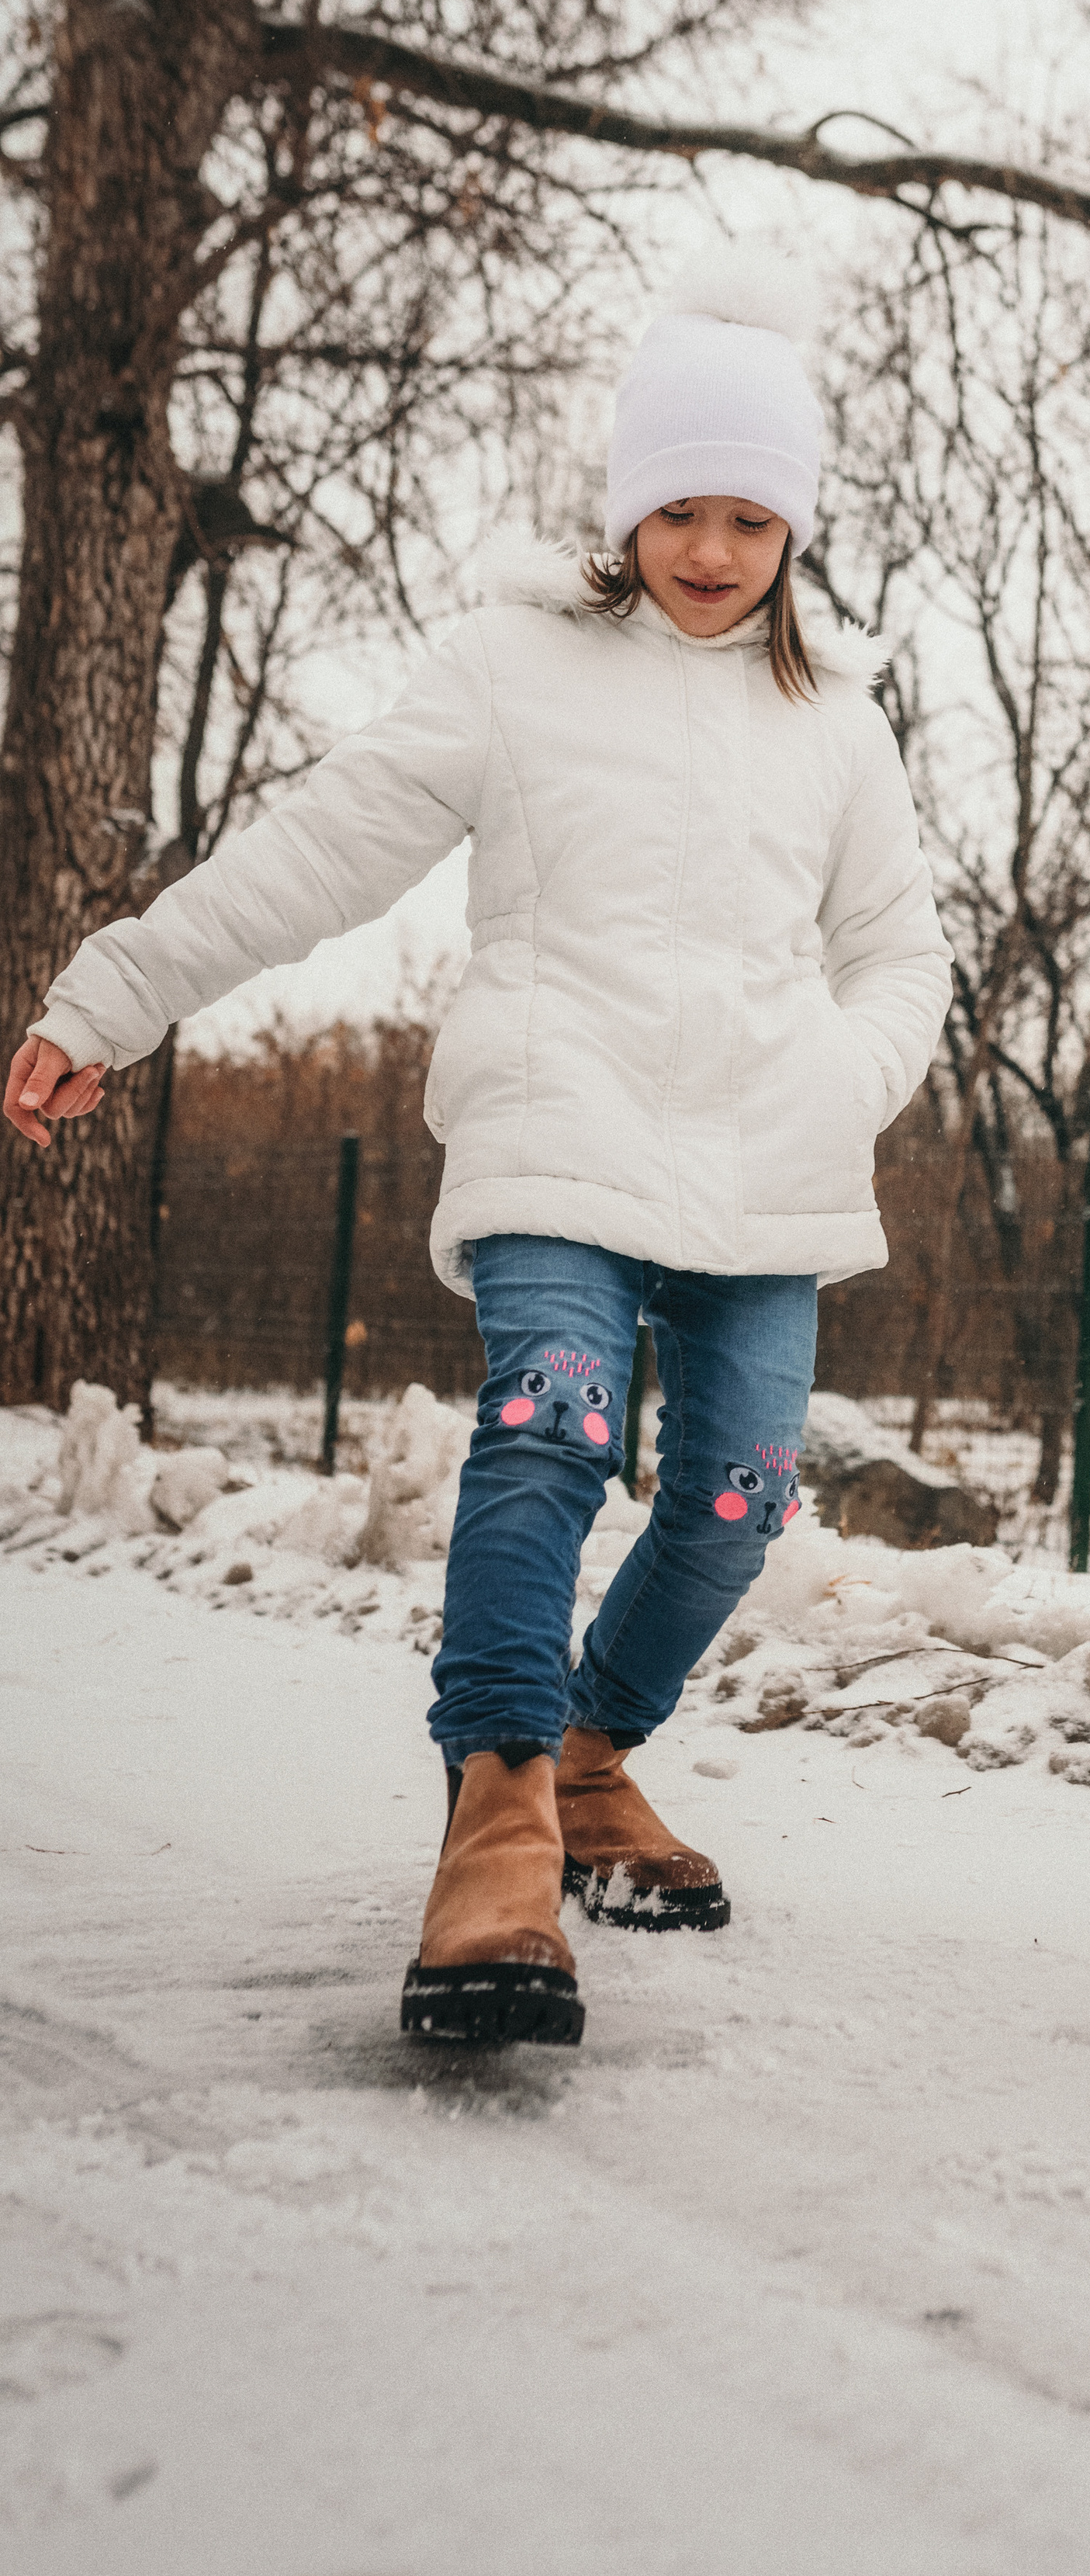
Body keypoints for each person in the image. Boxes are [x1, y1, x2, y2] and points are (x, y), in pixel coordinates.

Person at [5, 250, 952, 2048]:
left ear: (793, 530)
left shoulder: (837, 718)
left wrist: (845, 1073)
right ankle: (497, 1818)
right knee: (553, 1428)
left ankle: (594, 1763)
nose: (711, 549)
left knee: (741, 1497)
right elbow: (319, 849)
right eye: (678, 506)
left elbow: (900, 951)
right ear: (624, 506)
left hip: (768, 1156)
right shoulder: (513, 664)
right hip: (558, 1116)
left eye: (751, 517)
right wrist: (111, 994)